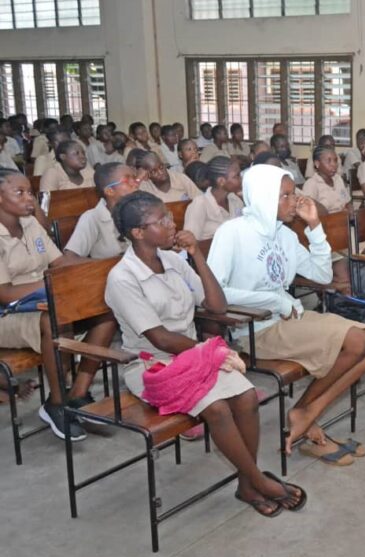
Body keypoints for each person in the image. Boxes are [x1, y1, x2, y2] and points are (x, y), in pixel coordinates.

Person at [105, 190, 305, 515]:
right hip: (153, 366)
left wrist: (196, 254)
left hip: (194, 354)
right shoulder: (123, 277)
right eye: (162, 220)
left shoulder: (171, 260)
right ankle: (257, 480)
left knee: (245, 397)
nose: (172, 224)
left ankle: (246, 484)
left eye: (170, 216)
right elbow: (159, 338)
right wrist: (210, 352)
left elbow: (217, 305)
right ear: (137, 233)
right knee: (216, 409)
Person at [208, 164, 365, 461]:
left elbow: (322, 274)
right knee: (358, 341)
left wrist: (315, 228)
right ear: (264, 197)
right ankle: (305, 417)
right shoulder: (233, 233)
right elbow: (214, 294)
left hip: (289, 320)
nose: (295, 202)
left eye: (294, 194)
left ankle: (306, 412)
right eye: (285, 196)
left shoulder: (285, 235)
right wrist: (276, 302)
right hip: (255, 330)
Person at [0, 169, 116, 441]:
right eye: (20, 192)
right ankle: (56, 402)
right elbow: (4, 293)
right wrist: (51, 285)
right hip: (8, 314)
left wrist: (101, 268)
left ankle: (78, 393)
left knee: (107, 315)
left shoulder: (29, 224)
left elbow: (60, 263)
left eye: (30, 191)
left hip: (47, 301)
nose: (29, 198)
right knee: (56, 319)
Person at [302, 145, 352, 292]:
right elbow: (309, 216)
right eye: (328, 161)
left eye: (335, 160)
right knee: (345, 273)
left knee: (363, 263)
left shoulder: (338, 180)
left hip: (343, 233)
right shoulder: (311, 185)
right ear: (317, 164)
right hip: (326, 238)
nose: (333, 164)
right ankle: (346, 303)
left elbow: (348, 203)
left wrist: (349, 212)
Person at [64, 163, 139, 259]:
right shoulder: (92, 218)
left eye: (134, 178)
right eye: (127, 180)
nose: (136, 184)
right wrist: (110, 264)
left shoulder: (140, 211)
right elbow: (70, 258)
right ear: (109, 191)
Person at [183, 157, 244, 241]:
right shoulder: (200, 204)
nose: (241, 179)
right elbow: (189, 242)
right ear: (221, 181)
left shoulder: (234, 199)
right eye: (236, 176)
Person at [137, 151, 202, 202]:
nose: (160, 172)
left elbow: (200, 200)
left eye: (161, 167)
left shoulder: (180, 178)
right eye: (154, 171)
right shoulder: (144, 187)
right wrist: (139, 178)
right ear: (147, 174)